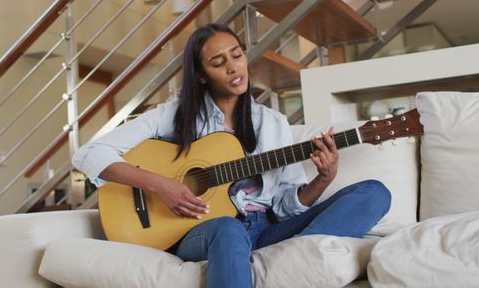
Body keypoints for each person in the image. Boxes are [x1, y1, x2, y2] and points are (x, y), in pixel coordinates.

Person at [73, 23, 391, 288]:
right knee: (228, 226)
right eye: (218, 62)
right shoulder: (175, 116)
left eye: (237, 55)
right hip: (202, 230)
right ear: (200, 75)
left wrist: (323, 179)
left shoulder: (272, 123)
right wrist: (160, 185)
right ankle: (266, 256)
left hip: (265, 229)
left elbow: (284, 205)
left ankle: (284, 258)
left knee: (374, 193)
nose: (233, 67)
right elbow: (90, 153)